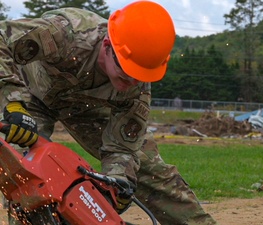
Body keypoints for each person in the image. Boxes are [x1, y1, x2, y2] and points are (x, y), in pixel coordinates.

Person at [0, 1, 218, 225]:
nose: (133, 81)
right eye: (127, 71)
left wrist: (117, 181)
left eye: (141, 75)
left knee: (151, 171)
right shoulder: (67, 33)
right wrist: (12, 102)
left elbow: (122, 147)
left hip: (87, 107)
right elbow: (1, 38)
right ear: (107, 45)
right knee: (24, 173)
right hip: (28, 94)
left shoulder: (137, 86)